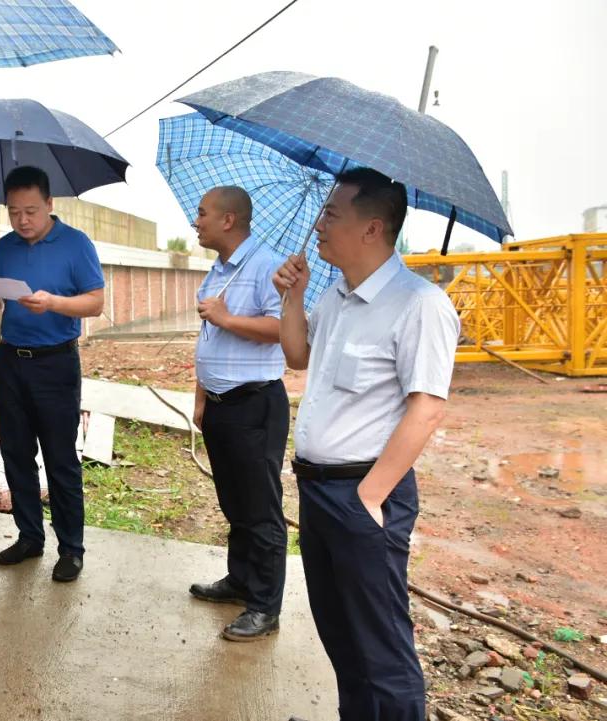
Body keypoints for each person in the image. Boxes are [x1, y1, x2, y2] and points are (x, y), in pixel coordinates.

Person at [273, 167, 460, 721]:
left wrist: (371, 499)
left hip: (364, 495)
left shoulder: (418, 303)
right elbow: (298, 357)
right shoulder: (336, 294)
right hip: (319, 491)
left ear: (372, 228)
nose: (319, 223)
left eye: (332, 213)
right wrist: (293, 298)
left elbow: (427, 407)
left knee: (382, 652)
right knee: (342, 641)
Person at [0, 165, 104, 583]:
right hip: (11, 361)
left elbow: (94, 302)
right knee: (16, 454)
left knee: (60, 458)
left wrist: (54, 302)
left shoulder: (76, 245)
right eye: (14, 212)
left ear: (50, 204)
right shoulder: (4, 248)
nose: (22, 220)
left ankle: (71, 548)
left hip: (56, 363)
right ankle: (29, 536)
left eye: (31, 211)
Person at [187, 186, 290, 642]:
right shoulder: (220, 270)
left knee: (261, 510)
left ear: (228, 220)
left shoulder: (268, 266)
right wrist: (202, 398)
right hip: (222, 405)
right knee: (234, 502)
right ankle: (240, 581)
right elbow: (210, 341)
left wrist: (227, 318)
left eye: (203, 213)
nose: (196, 220)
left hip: (255, 404)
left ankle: (265, 606)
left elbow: (284, 331)